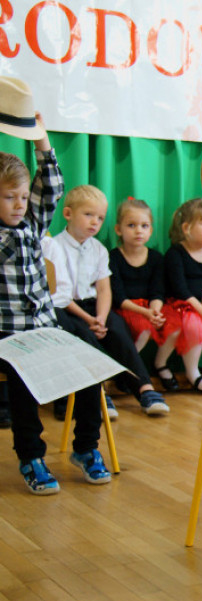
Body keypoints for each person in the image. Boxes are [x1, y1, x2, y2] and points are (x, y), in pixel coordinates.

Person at [0, 105, 110, 492]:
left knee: (91, 364)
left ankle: (85, 448)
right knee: (23, 378)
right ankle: (31, 456)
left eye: (22, 196)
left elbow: (51, 185)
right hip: (8, 335)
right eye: (8, 197)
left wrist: (40, 136)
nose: (18, 204)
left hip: (43, 326)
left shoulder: (31, 221)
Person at [44, 185, 170, 416]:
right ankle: (99, 394)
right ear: (68, 214)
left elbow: (104, 289)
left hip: (95, 307)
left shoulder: (99, 250)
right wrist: (89, 319)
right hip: (67, 308)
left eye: (100, 218)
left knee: (118, 328)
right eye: (88, 215)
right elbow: (59, 294)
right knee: (84, 333)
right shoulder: (55, 247)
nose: (95, 222)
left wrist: (101, 317)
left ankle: (144, 388)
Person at [108, 198, 180, 391]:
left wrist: (154, 311)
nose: (138, 230)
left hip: (150, 307)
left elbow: (157, 291)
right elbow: (118, 296)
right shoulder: (113, 257)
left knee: (174, 325)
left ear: (151, 230)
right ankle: (129, 369)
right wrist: (145, 314)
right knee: (144, 328)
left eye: (144, 225)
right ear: (118, 229)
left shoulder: (157, 258)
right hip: (126, 307)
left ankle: (160, 364)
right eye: (131, 225)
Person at [163, 198, 202, 394]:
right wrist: (201, 309)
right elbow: (180, 289)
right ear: (187, 228)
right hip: (183, 305)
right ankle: (192, 373)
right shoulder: (176, 253)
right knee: (194, 326)